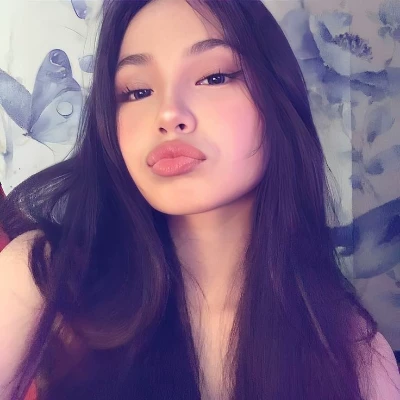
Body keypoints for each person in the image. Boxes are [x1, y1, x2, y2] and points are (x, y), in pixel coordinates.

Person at [0, 0, 399, 399]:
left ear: (278, 99)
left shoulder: (354, 352)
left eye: (213, 77)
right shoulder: (44, 278)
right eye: (137, 91)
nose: (168, 114)